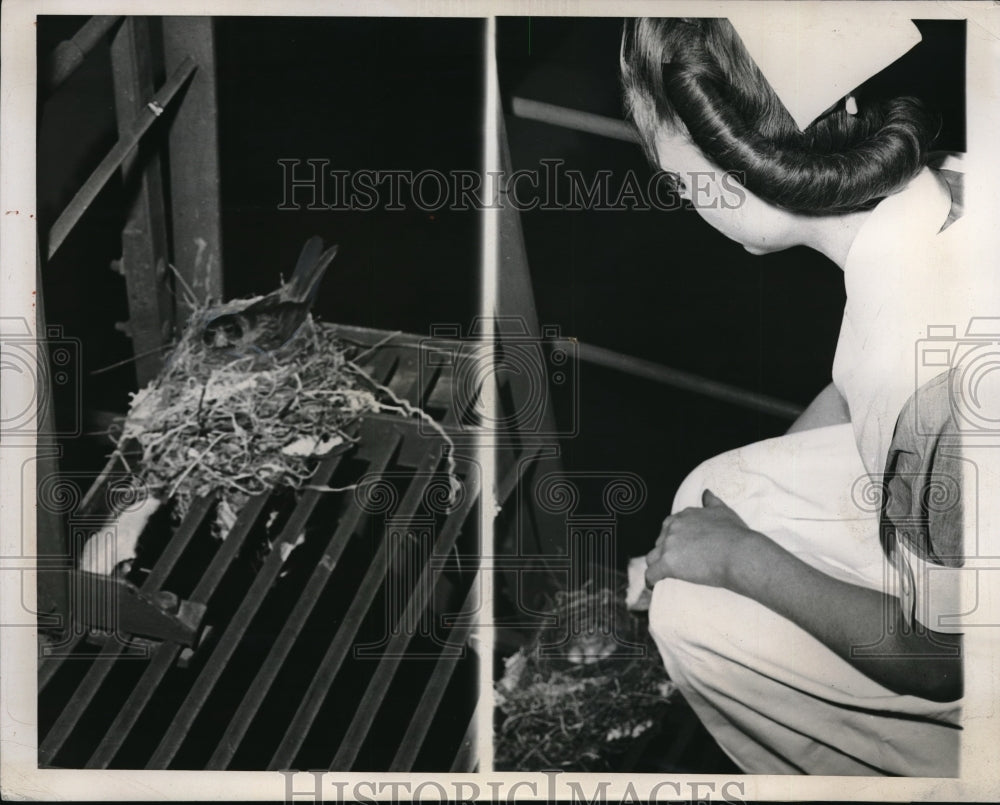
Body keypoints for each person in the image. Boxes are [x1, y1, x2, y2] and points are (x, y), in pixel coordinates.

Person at [621, 17, 974, 776]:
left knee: (694, 616)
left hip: (958, 644)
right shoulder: (949, 190)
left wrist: (743, 559)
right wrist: (717, 528)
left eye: (669, 166)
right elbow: (862, 394)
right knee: (712, 492)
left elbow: (944, 655)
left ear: (731, 158)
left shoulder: (916, 360)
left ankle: (938, 773)